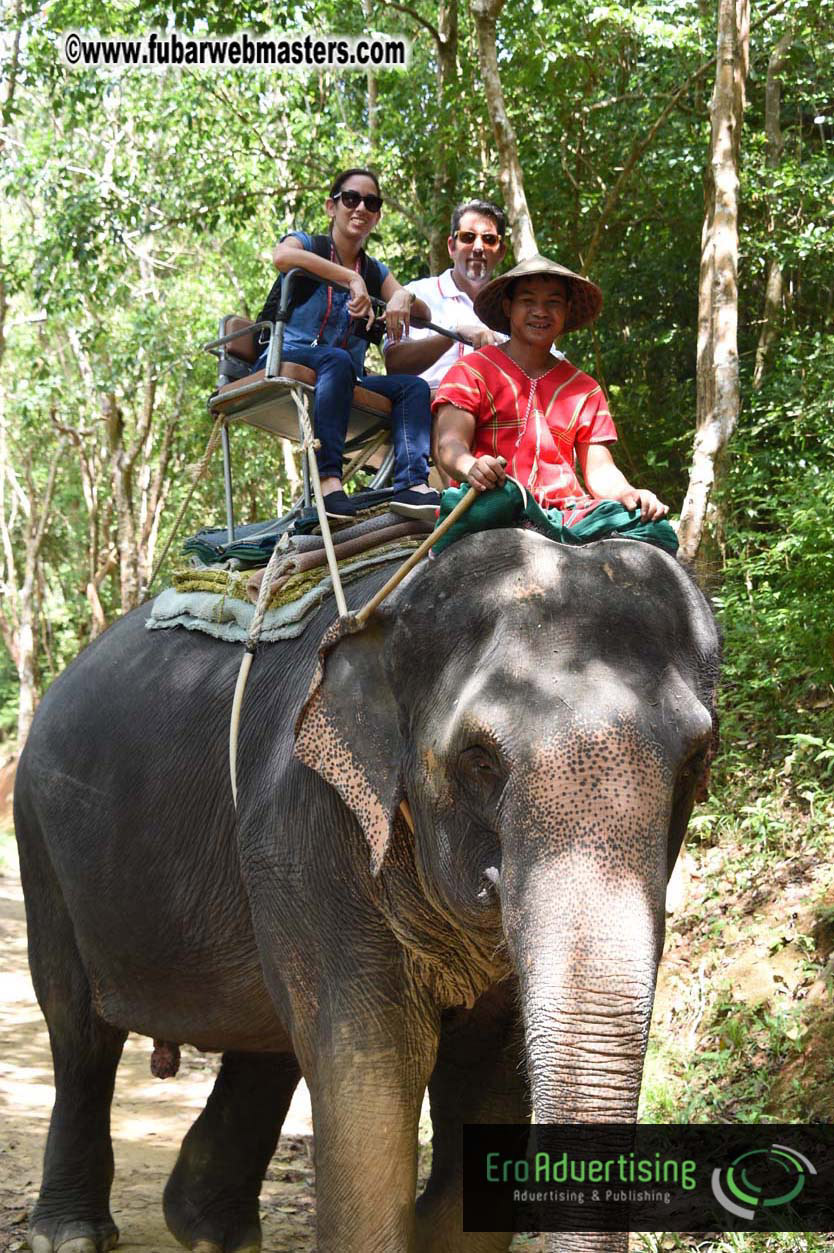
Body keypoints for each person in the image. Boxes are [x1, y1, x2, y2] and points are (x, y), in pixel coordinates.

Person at [255, 168, 441, 521]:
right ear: (332, 206)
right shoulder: (310, 245)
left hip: (344, 373)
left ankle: (412, 485)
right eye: (351, 199)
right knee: (336, 359)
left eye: (370, 202)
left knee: (413, 388)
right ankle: (328, 482)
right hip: (289, 354)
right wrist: (349, 278)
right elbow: (282, 256)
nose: (360, 208)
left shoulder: (375, 271)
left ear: (378, 215)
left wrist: (403, 295)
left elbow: (423, 312)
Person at [433, 255, 669, 521]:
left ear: (566, 309)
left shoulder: (585, 389)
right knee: (489, 509)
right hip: (491, 498)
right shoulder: (471, 370)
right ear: (508, 307)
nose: (540, 311)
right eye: (528, 301)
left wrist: (628, 493)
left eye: (553, 303)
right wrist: (471, 467)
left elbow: (600, 470)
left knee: (656, 531)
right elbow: (450, 445)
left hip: (566, 510)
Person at [383, 199, 509, 388]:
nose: (478, 247)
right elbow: (394, 364)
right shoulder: (418, 294)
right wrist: (450, 336)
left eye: (489, 239)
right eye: (468, 237)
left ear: (501, 252)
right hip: (425, 409)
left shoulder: (513, 308)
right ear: (451, 246)